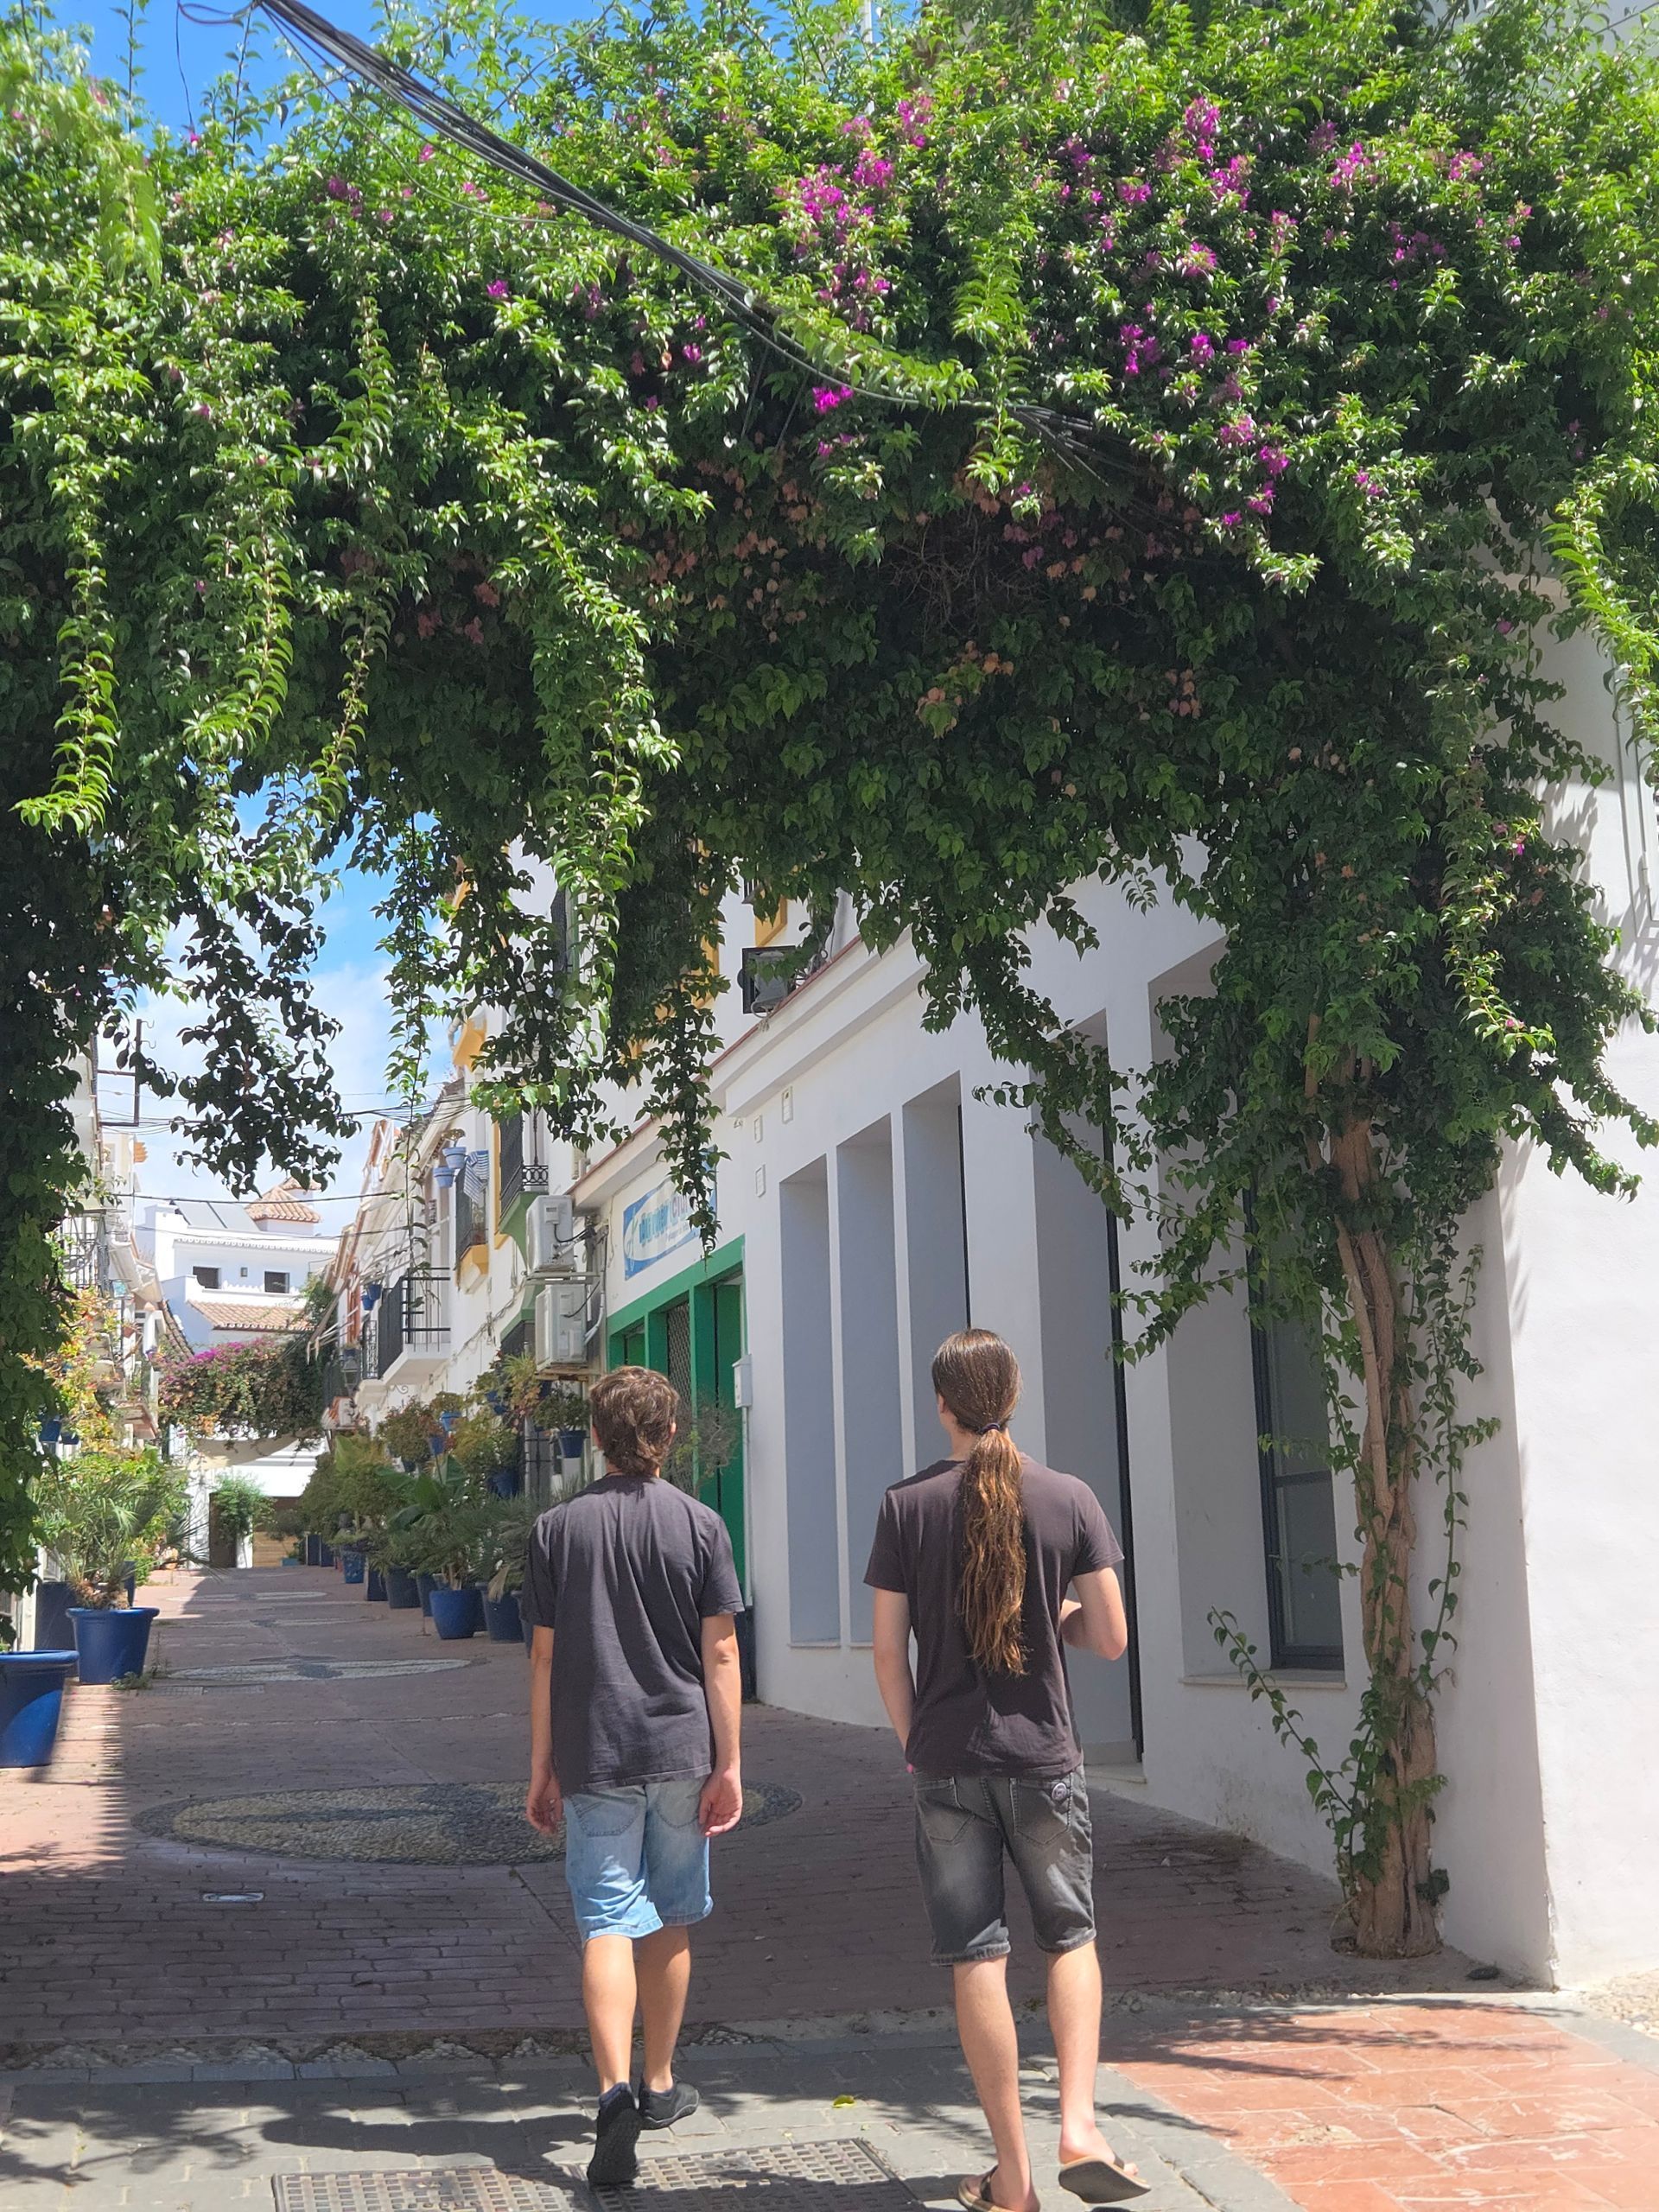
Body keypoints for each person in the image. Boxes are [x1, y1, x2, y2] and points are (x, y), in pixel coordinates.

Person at [866, 1328, 1145, 2210]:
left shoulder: (905, 1506)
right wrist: (1055, 1617)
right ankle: (1077, 2125)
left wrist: (916, 1744)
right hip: (1044, 1759)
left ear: (942, 1405)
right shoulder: (1068, 1498)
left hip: (947, 1763)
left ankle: (1013, 2179)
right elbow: (1110, 1636)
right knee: (1069, 1937)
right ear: (1013, 1396)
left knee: (977, 1958)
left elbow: (886, 1652)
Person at [523, 1364, 745, 2187]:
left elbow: (544, 1656)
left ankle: (611, 2088)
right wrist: (730, 1762)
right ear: (669, 1435)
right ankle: (659, 2085)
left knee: (606, 1919)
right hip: (683, 1749)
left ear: (596, 1437)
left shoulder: (555, 1530)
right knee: (673, 1915)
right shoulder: (700, 1524)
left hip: (595, 1750)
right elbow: (721, 1650)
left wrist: (541, 1764)